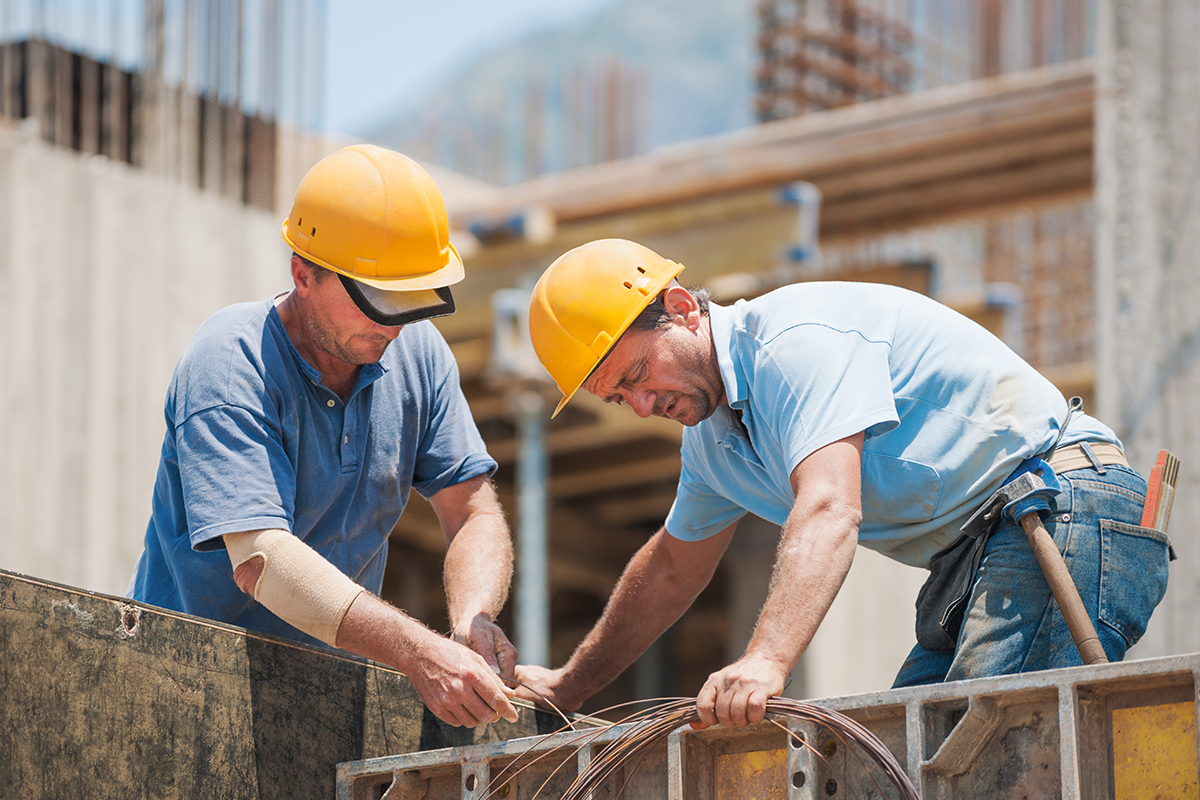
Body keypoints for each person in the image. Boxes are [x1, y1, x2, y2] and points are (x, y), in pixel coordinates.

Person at [514, 238, 1171, 728]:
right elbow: (668, 572)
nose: (640, 404)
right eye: (617, 398)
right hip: (987, 552)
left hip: (1064, 507)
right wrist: (569, 688)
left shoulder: (793, 343)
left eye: (636, 375)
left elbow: (830, 508)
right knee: (901, 757)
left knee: (983, 754)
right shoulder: (714, 445)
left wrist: (766, 660)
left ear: (683, 309)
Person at [127, 145, 519, 728]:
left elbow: (473, 513)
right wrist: (418, 652)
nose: (392, 323)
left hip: (327, 697)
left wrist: (473, 621)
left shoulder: (419, 356)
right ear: (302, 274)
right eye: (375, 300)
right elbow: (262, 561)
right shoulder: (231, 361)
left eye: (409, 300)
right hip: (184, 689)